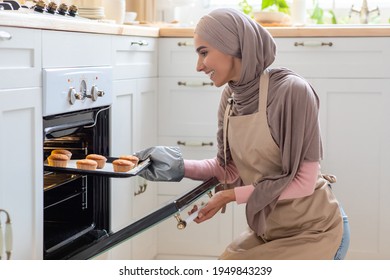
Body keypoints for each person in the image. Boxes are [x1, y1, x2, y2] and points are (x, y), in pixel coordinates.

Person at [135, 8, 350, 260]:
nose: (198, 66)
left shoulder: (292, 91)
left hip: (315, 232)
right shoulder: (230, 97)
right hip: (269, 232)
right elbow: (228, 170)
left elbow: (303, 182)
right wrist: (177, 166)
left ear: (232, 46)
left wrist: (229, 196)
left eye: (204, 52)